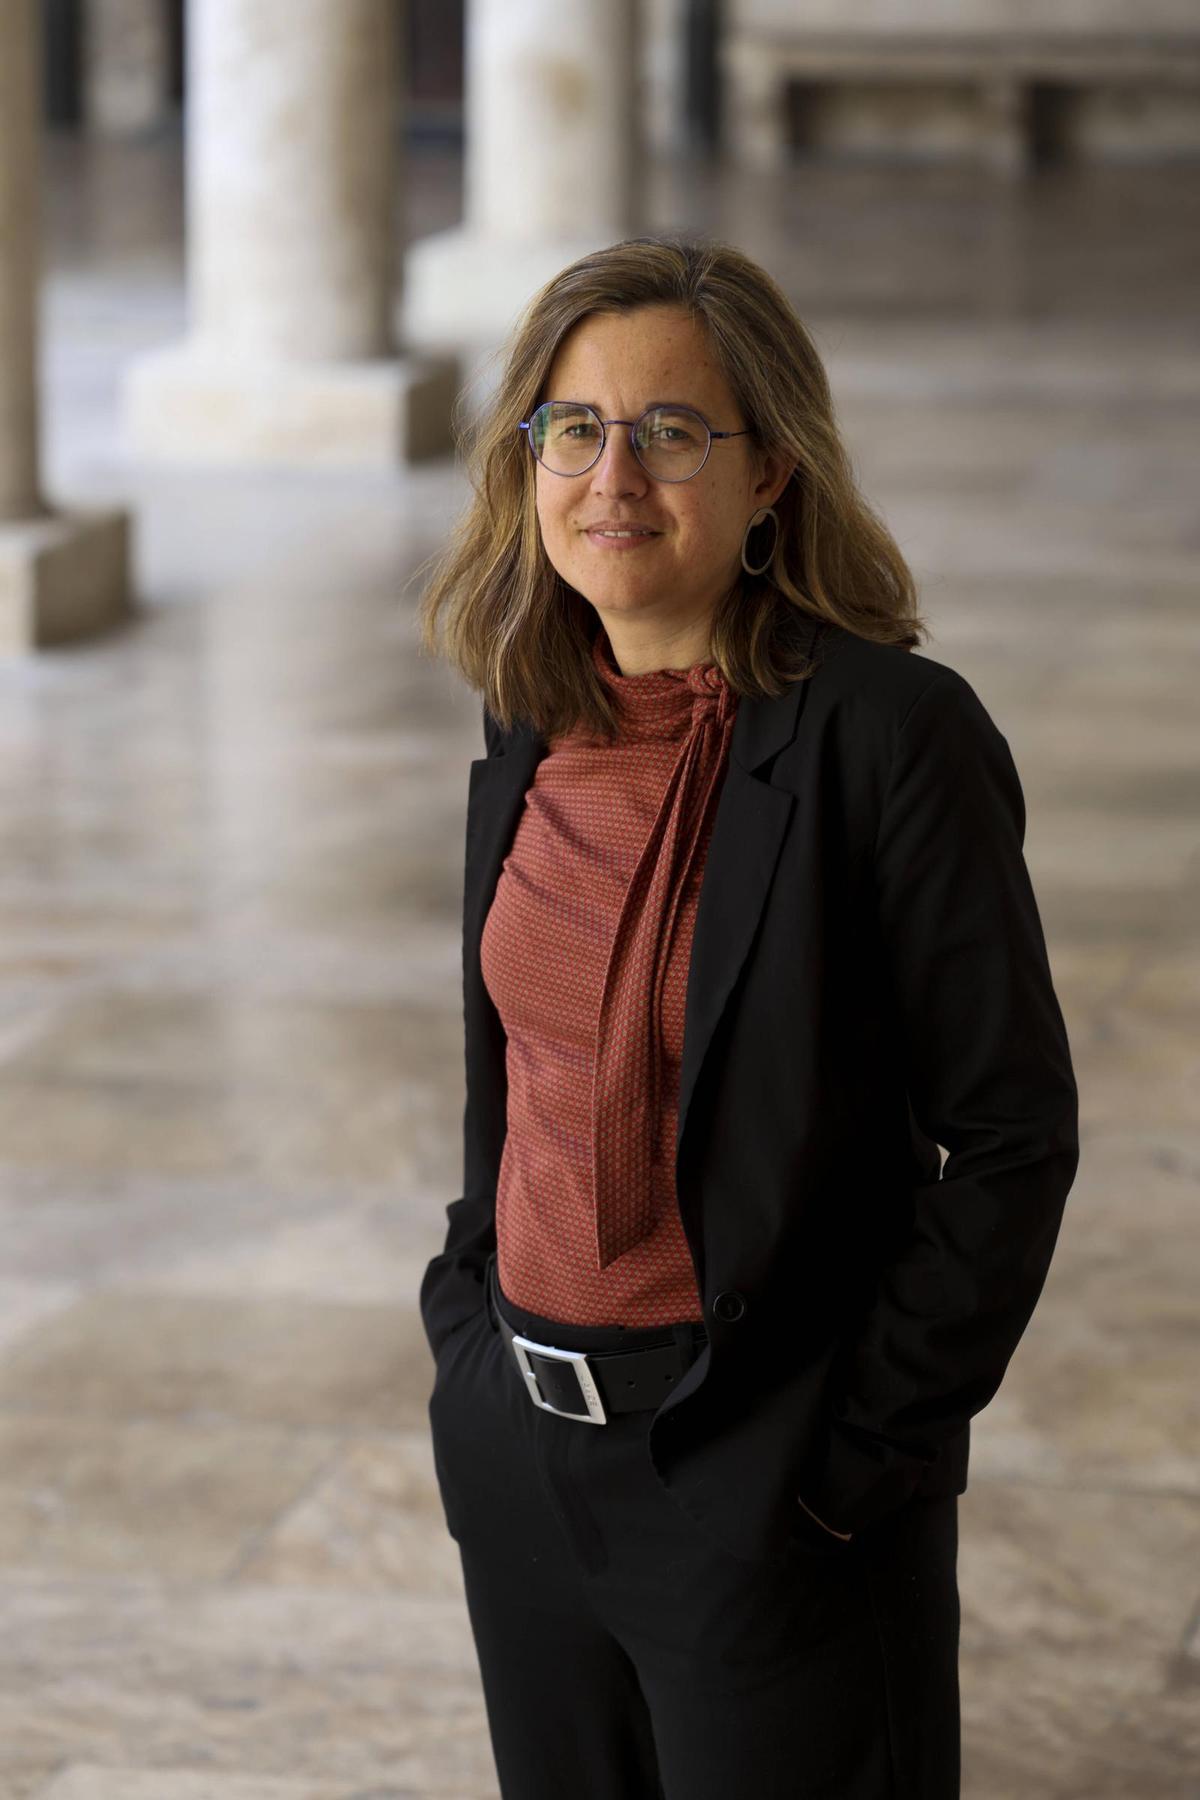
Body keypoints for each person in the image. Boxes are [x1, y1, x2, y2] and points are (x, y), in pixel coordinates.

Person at [414, 233, 1079, 1800]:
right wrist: (465, 1325)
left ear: (772, 471)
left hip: (764, 1478)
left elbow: (1007, 1137)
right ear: (526, 462)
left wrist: (856, 1462)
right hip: (523, 1453)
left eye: (673, 431)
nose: (613, 475)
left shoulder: (894, 740)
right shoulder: (529, 712)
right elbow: (518, 1066)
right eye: (573, 428)